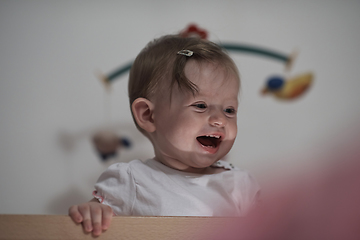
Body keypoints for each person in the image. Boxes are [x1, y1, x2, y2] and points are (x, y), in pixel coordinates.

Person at [69, 35, 260, 236]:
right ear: (149, 115)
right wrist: (92, 212)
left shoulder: (240, 184)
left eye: (229, 110)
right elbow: (94, 220)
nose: (220, 120)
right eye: (201, 106)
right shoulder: (132, 180)